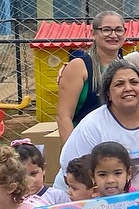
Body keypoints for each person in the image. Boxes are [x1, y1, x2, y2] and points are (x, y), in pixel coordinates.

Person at [55, 60, 139, 191]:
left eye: (134, 82)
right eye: (119, 84)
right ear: (108, 93)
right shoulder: (92, 125)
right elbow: (71, 173)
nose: (128, 88)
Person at [56, 10, 132, 141]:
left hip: (121, 143)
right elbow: (64, 116)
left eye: (118, 30)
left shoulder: (129, 66)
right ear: (94, 34)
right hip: (86, 143)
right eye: (106, 30)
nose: (113, 35)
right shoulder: (79, 67)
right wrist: (72, 154)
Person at [12, 141, 70, 208]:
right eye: (21, 176)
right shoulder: (10, 200)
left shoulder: (58, 197)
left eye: (33, 174)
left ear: (43, 169)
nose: (27, 180)